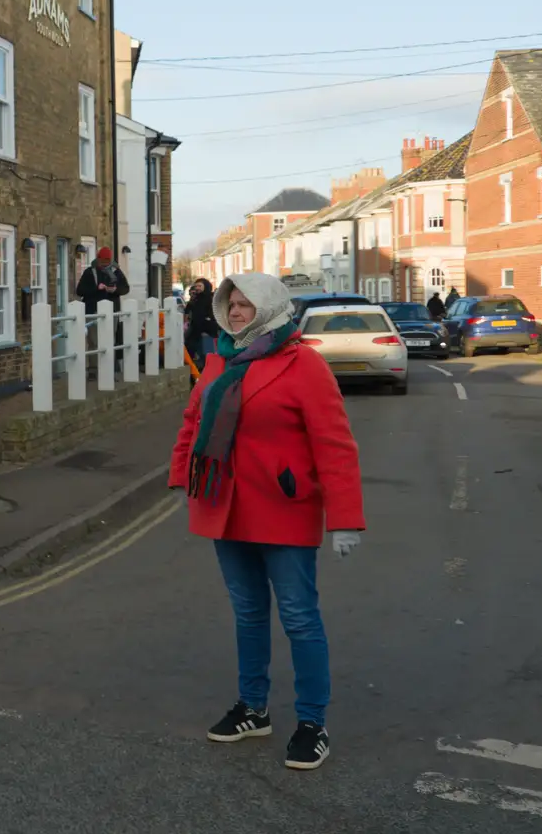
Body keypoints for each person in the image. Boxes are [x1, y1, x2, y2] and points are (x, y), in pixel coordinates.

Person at [169, 272, 365, 772]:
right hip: (224, 505)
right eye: (230, 304)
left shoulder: (305, 365)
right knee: (249, 614)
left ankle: (311, 723)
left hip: (284, 508)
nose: (235, 311)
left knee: (299, 617)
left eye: (246, 304)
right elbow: (193, 423)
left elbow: (335, 444)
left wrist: (345, 518)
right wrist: (181, 478)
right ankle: (253, 708)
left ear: (272, 307)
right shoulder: (220, 360)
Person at [77, 247, 131, 376]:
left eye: (108, 260)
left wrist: (115, 290)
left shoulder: (116, 271)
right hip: (92, 311)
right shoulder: (89, 272)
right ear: (98, 258)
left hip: (112, 311)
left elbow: (125, 288)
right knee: (94, 342)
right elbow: (80, 291)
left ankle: (108, 371)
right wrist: (97, 288)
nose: (105, 263)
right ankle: (94, 371)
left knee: (109, 341)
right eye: (103, 260)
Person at [185, 277, 218, 366]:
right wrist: (192, 299)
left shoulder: (211, 298)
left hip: (207, 331)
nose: (197, 288)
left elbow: (213, 313)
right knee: (189, 348)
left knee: (206, 353)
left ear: (205, 286)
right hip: (195, 330)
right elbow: (187, 311)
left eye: (200, 286)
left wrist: (208, 322)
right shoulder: (195, 299)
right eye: (196, 286)